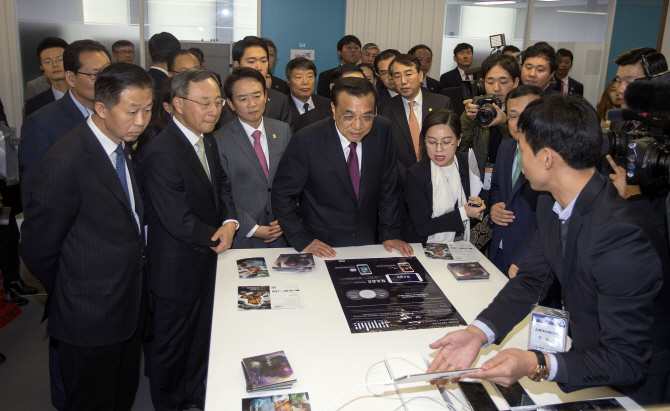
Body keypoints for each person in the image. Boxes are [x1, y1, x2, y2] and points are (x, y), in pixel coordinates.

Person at [426, 95, 670, 406]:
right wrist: (478, 333)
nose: (519, 159)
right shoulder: (551, 202)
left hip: (637, 390)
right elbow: (532, 280)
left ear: (546, 158)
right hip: (589, 364)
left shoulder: (621, 237)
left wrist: (536, 363)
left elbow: (628, 359)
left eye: (523, 150)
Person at [20, 62, 152, 411]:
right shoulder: (65, 160)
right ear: (102, 108)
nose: (141, 120)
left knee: (121, 393)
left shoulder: (121, 145)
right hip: (88, 314)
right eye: (132, 111)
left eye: (148, 109)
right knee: (91, 400)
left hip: (128, 302)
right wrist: (76, 289)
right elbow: (37, 248)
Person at [142, 68, 238, 411]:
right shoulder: (161, 152)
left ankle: (196, 395)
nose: (213, 110)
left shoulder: (206, 138)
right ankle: (169, 403)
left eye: (217, 102)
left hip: (207, 260)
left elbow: (222, 185)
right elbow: (177, 220)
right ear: (177, 104)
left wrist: (229, 221)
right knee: (171, 345)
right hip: (176, 268)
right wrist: (219, 236)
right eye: (204, 103)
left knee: (200, 339)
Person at [272, 77, 412, 258]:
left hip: (367, 243)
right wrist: (301, 239)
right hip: (321, 245)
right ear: (333, 108)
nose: (358, 125)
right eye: (348, 116)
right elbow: (282, 194)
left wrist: (390, 233)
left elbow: (388, 188)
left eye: (367, 116)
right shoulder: (307, 140)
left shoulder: (382, 129)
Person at [20, 39, 111, 209]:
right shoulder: (41, 124)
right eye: (94, 75)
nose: (104, 81)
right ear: (71, 77)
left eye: (107, 73)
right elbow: (34, 193)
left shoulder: (115, 114)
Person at [214, 67, 291, 248]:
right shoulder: (219, 140)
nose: (252, 104)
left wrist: (285, 218)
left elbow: (293, 181)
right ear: (231, 104)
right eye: (242, 99)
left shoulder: (282, 131)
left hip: (282, 234)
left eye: (257, 96)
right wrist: (253, 228)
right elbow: (221, 193)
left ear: (265, 96)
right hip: (243, 237)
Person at [405, 110, 485, 243]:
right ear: (424, 140)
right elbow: (422, 227)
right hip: (425, 246)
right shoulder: (416, 174)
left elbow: (480, 197)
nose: (438, 149)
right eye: (431, 142)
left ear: (459, 139)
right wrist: (463, 213)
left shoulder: (467, 162)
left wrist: (478, 205)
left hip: (463, 244)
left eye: (446, 142)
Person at [488, 85, 544, 277]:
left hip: (531, 260)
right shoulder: (506, 148)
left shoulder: (551, 159)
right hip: (498, 250)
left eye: (527, 115)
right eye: (513, 115)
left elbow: (550, 219)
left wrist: (523, 258)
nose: (519, 123)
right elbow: (496, 188)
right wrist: (494, 207)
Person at [377, 54, 454, 192]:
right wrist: (409, 179)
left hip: (440, 181)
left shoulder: (442, 103)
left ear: (420, 75)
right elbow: (386, 151)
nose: (403, 81)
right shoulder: (384, 110)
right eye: (397, 76)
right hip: (401, 185)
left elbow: (450, 142)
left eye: (408, 74)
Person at [459, 53, 520, 176]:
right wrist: (468, 119)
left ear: (516, 82)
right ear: (482, 82)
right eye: (490, 82)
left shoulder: (522, 113)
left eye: (503, 82)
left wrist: (504, 123)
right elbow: (459, 149)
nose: (496, 88)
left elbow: (519, 154)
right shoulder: (476, 109)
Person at [217, 36, 293, 130]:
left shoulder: (280, 101)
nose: (259, 67)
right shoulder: (218, 98)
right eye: (251, 61)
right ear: (237, 65)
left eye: (263, 61)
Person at [293, 64, 364, 133]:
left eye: (361, 85)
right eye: (349, 85)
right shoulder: (310, 120)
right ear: (333, 87)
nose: (356, 91)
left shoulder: (372, 120)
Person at [24, 37, 70, 118]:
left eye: (60, 60)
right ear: (42, 68)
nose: (55, 65)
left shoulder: (88, 95)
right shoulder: (34, 105)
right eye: (48, 62)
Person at [285, 57, 330, 122]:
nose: (305, 82)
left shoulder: (327, 104)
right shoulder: (281, 107)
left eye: (309, 76)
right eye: (299, 77)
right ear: (288, 80)